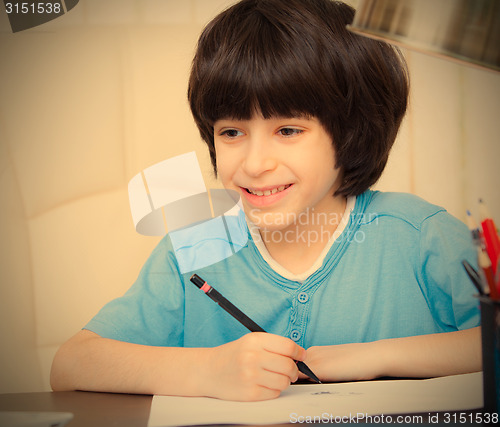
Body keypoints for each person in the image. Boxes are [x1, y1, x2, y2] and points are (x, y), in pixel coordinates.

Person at [50, 0, 481, 402]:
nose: (254, 164)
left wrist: (363, 359)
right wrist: (208, 370)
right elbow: (71, 364)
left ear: (351, 133)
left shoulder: (421, 236)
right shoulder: (194, 249)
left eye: (288, 130)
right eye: (231, 132)